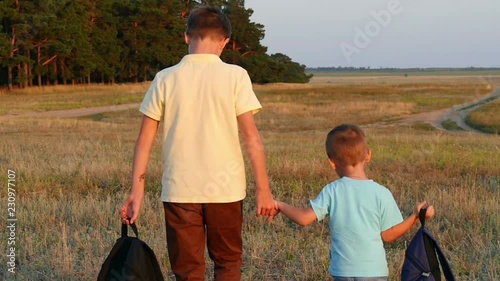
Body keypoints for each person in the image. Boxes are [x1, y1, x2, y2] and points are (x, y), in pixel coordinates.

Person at [119, 6, 275, 281]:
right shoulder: (236, 76)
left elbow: (144, 141)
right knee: (228, 262)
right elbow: (252, 138)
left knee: (188, 270)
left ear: (186, 37)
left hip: (180, 190)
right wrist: (263, 190)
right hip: (226, 190)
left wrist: (137, 192)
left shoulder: (165, 78)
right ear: (225, 41)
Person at [275, 124, 435, 280]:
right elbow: (388, 235)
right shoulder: (381, 193)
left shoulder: (332, 190)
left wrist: (280, 205)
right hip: (374, 271)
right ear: (368, 155)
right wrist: (414, 216)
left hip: (342, 271)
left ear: (331, 162)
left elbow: (304, 218)